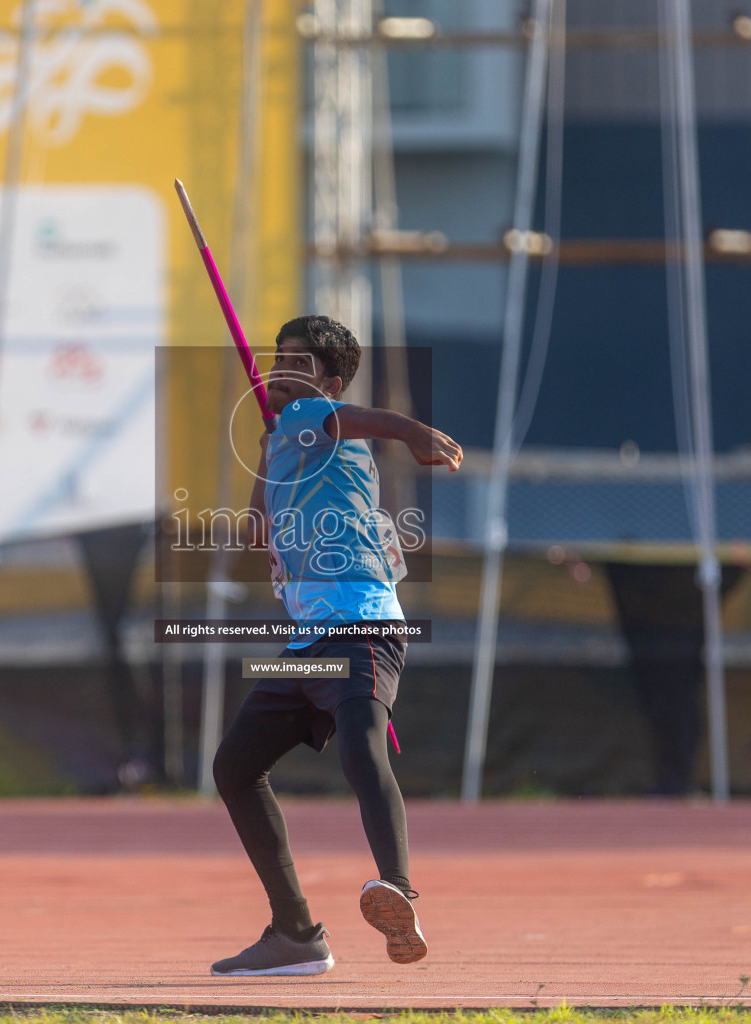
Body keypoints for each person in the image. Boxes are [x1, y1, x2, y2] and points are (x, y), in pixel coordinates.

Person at [209, 315, 463, 977]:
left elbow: (356, 420)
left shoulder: (314, 415)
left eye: (298, 361)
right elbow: (255, 528)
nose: (279, 370)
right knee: (235, 767)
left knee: (361, 745)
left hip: (361, 627)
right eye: (276, 358)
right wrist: (269, 458)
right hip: (307, 643)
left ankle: (398, 891)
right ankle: (295, 932)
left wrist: (410, 432)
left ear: (331, 379)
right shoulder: (290, 436)